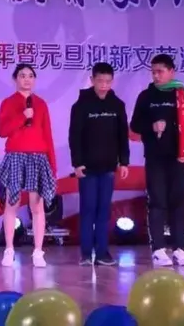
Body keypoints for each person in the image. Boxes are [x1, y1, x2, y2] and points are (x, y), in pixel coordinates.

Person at [130, 53, 184, 267]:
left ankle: (180, 248)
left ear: (172, 72)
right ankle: (158, 249)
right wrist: (151, 127)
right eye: (153, 72)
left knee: (179, 202)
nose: (156, 76)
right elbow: (135, 125)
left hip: (179, 158)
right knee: (157, 201)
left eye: (160, 71)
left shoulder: (183, 95)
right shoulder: (146, 96)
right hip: (155, 158)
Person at [0, 63, 57, 268]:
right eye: (22, 75)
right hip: (16, 155)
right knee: (11, 203)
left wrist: (52, 165)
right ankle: (9, 249)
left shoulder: (41, 104)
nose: (27, 79)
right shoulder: (8, 103)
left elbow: (47, 134)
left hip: (38, 156)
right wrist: (23, 116)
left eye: (31, 75)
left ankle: (38, 251)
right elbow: (2, 130)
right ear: (15, 79)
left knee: (37, 205)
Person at [68, 62, 130, 266]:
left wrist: (124, 162)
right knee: (88, 210)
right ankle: (86, 253)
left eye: (107, 81)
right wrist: (77, 163)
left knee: (104, 211)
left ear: (112, 82)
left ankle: (102, 253)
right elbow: (74, 137)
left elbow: (122, 136)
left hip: (109, 167)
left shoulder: (117, 105)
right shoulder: (81, 105)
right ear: (92, 80)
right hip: (87, 168)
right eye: (100, 81)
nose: (103, 85)